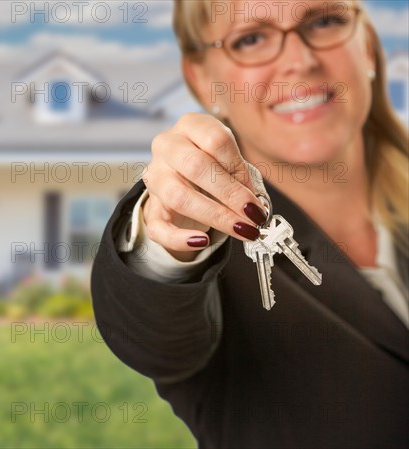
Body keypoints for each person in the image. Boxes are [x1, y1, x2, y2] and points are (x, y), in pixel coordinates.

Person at [90, 0, 409, 447]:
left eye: (324, 21)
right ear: (203, 80)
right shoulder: (217, 267)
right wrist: (164, 240)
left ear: (368, 49)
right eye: (251, 38)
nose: (300, 61)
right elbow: (149, 333)